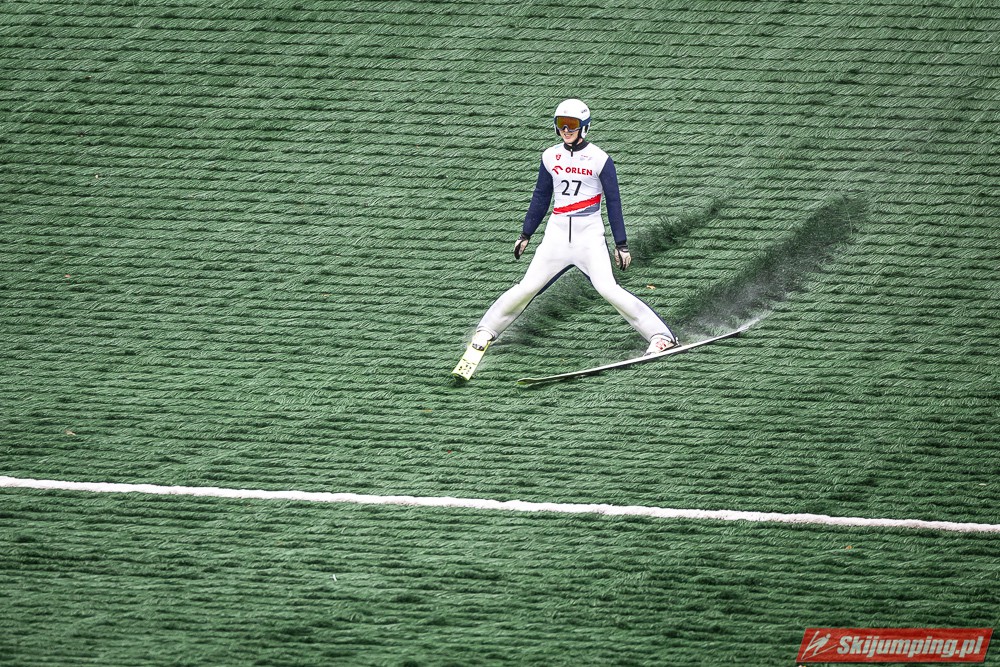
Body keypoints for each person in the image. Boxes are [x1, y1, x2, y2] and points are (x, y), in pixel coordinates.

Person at [453, 99, 677, 380]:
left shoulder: (599, 159)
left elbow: (614, 202)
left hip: (589, 239)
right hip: (556, 237)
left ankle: (661, 337)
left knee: (609, 289)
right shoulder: (550, 156)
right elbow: (540, 196)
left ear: (585, 127)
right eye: (561, 125)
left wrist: (621, 244)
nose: (566, 130)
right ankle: (486, 332)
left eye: (572, 125)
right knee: (527, 287)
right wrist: (526, 233)